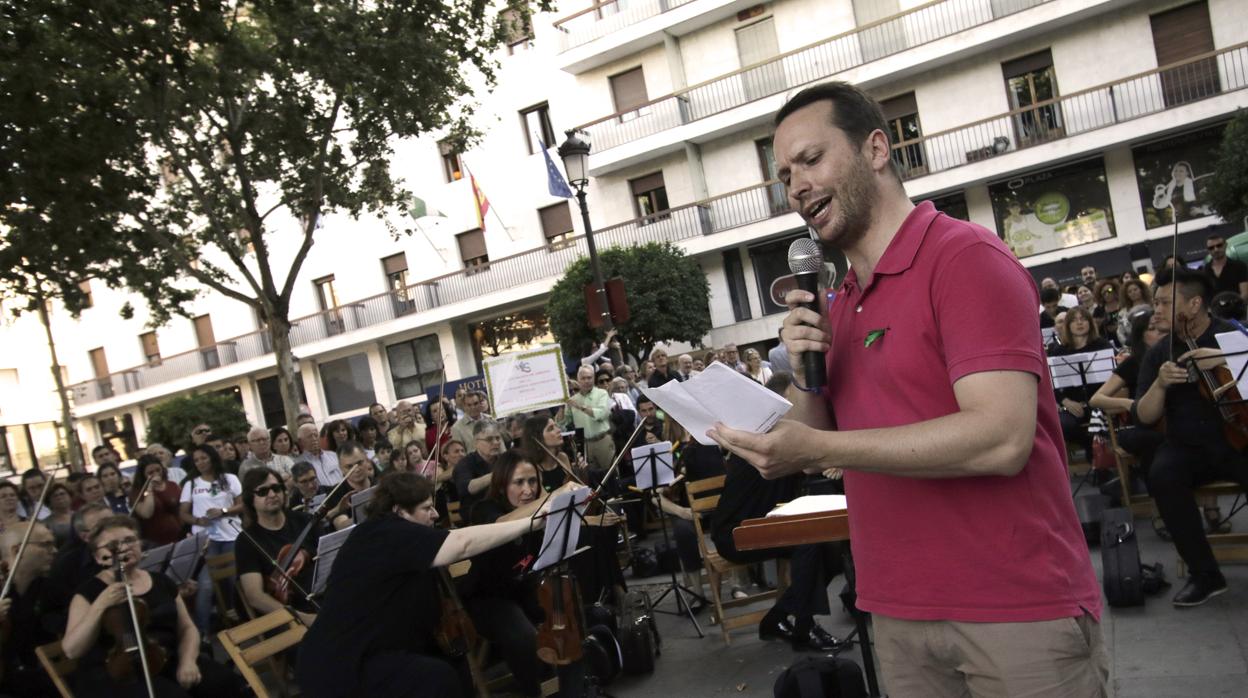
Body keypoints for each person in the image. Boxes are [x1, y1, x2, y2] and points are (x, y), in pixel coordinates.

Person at [710, 82, 1105, 696]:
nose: (797, 187)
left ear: (875, 149)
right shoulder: (836, 302)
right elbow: (812, 433)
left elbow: (1001, 439)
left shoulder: (965, 258)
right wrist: (800, 367)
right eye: (786, 175)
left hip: (1016, 608)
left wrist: (820, 451)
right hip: (896, 612)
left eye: (812, 160)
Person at [296, 471, 556, 698]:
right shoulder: (381, 533)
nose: (434, 515)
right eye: (426, 508)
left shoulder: (400, 538)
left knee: (456, 665)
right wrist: (529, 523)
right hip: (344, 663)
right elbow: (461, 544)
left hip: (385, 647)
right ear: (399, 511)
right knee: (436, 678)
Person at [1132, 266, 1248, 606]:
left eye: (1165, 303)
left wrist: (1225, 358)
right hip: (1187, 446)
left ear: (1195, 304)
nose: (1155, 310)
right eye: (1155, 302)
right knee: (1162, 475)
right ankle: (1205, 575)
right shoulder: (1157, 353)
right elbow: (1144, 416)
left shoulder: (1233, 337)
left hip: (1237, 438)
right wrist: (1160, 383)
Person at [61, 515, 243, 698]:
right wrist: (100, 605)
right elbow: (72, 650)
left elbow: (187, 628)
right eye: (112, 545)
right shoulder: (87, 593)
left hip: (166, 659)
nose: (123, 548)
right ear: (99, 557)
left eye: (129, 540)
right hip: (118, 672)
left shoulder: (161, 581)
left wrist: (188, 661)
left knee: (225, 681)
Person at [465, 452, 584, 698]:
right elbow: (501, 524)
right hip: (488, 599)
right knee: (523, 636)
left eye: (532, 481)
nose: (528, 489)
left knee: (572, 616)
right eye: (519, 482)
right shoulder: (483, 509)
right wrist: (551, 498)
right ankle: (534, 692)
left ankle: (572, 688)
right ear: (501, 484)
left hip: (525, 590)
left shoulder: (538, 510)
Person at [235, 467, 319, 626]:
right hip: (287, 616)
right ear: (250, 499)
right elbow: (255, 596)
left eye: (276, 488)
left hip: (322, 598)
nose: (272, 495)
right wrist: (300, 617)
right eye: (262, 492)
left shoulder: (306, 520)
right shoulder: (246, 541)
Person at [178, 444, 243, 635]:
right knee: (205, 584)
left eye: (203, 458)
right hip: (207, 540)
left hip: (231, 535)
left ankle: (235, 613)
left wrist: (223, 511)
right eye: (196, 460)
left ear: (212, 458)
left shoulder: (229, 478)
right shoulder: (191, 484)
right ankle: (202, 634)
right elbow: (183, 513)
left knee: (233, 578)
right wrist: (198, 520)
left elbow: (242, 505)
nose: (200, 463)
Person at [1, 521, 59, 696]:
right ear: (16, 551)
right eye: (46, 545)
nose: (55, 551)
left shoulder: (49, 586)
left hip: (42, 679)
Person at [1050, 306, 1113, 460]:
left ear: (1090, 323)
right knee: (1063, 425)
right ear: (1068, 325)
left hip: (1100, 401)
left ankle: (1100, 461)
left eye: (1083, 319)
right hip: (1073, 404)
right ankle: (1089, 446)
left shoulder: (1102, 346)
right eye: (1074, 320)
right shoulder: (1059, 351)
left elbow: (1114, 377)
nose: (1079, 323)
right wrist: (1066, 401)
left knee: (1102, 421)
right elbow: (1051, 385)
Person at [562, 364, 615, 472]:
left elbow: (601, 414)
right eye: (583, 378)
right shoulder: (573, 399)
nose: (586, 381)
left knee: (611, 475)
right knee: (591, 478)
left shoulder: (602, 393)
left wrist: (580, 407)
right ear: (578, 380)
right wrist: (561, 407)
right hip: (584, 444)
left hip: (602, 440)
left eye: (589, 378)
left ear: (594, 378)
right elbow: (563, 423)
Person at [131, 455, 185, 546]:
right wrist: (150, 489)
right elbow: (146, 513)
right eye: (150, 473)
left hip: (179, 535)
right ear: (143, 475)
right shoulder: (137, 492)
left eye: (158, 470)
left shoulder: (172, 485)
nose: (156, 474)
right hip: (155, 541)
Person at [453, 421, 505, 514]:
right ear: (475, 443)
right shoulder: (464, 464)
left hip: (503, 508)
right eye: (489, 439)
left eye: (498, 438)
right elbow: (467, 488)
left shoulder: (503, 460)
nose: (496, 442)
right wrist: (498, 474)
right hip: (476, 513)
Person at [326, 443, 376, 530]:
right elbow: (341, 525)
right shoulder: (335, 492)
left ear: (367, 460)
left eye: (359, 463)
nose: (356, 469)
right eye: (349, 467)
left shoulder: (382, 483)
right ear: (341, 468)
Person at [1204, 233, 1248, 300]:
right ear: (1208, 250)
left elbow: (1245, 293)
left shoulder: (1239, 266)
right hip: (1216, 309)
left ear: (1225, 245)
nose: (1216, 250)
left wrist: (1232, 307)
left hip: (1237, 308)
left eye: (1219, 245)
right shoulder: (1205, 270)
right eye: (1211, 248)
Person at [45, 482, 76, 549]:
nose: (59, 497)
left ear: (70, 496)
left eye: (62, 494)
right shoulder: (46, 524)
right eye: (55, 496)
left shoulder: (81, 515)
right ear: (49, 501)